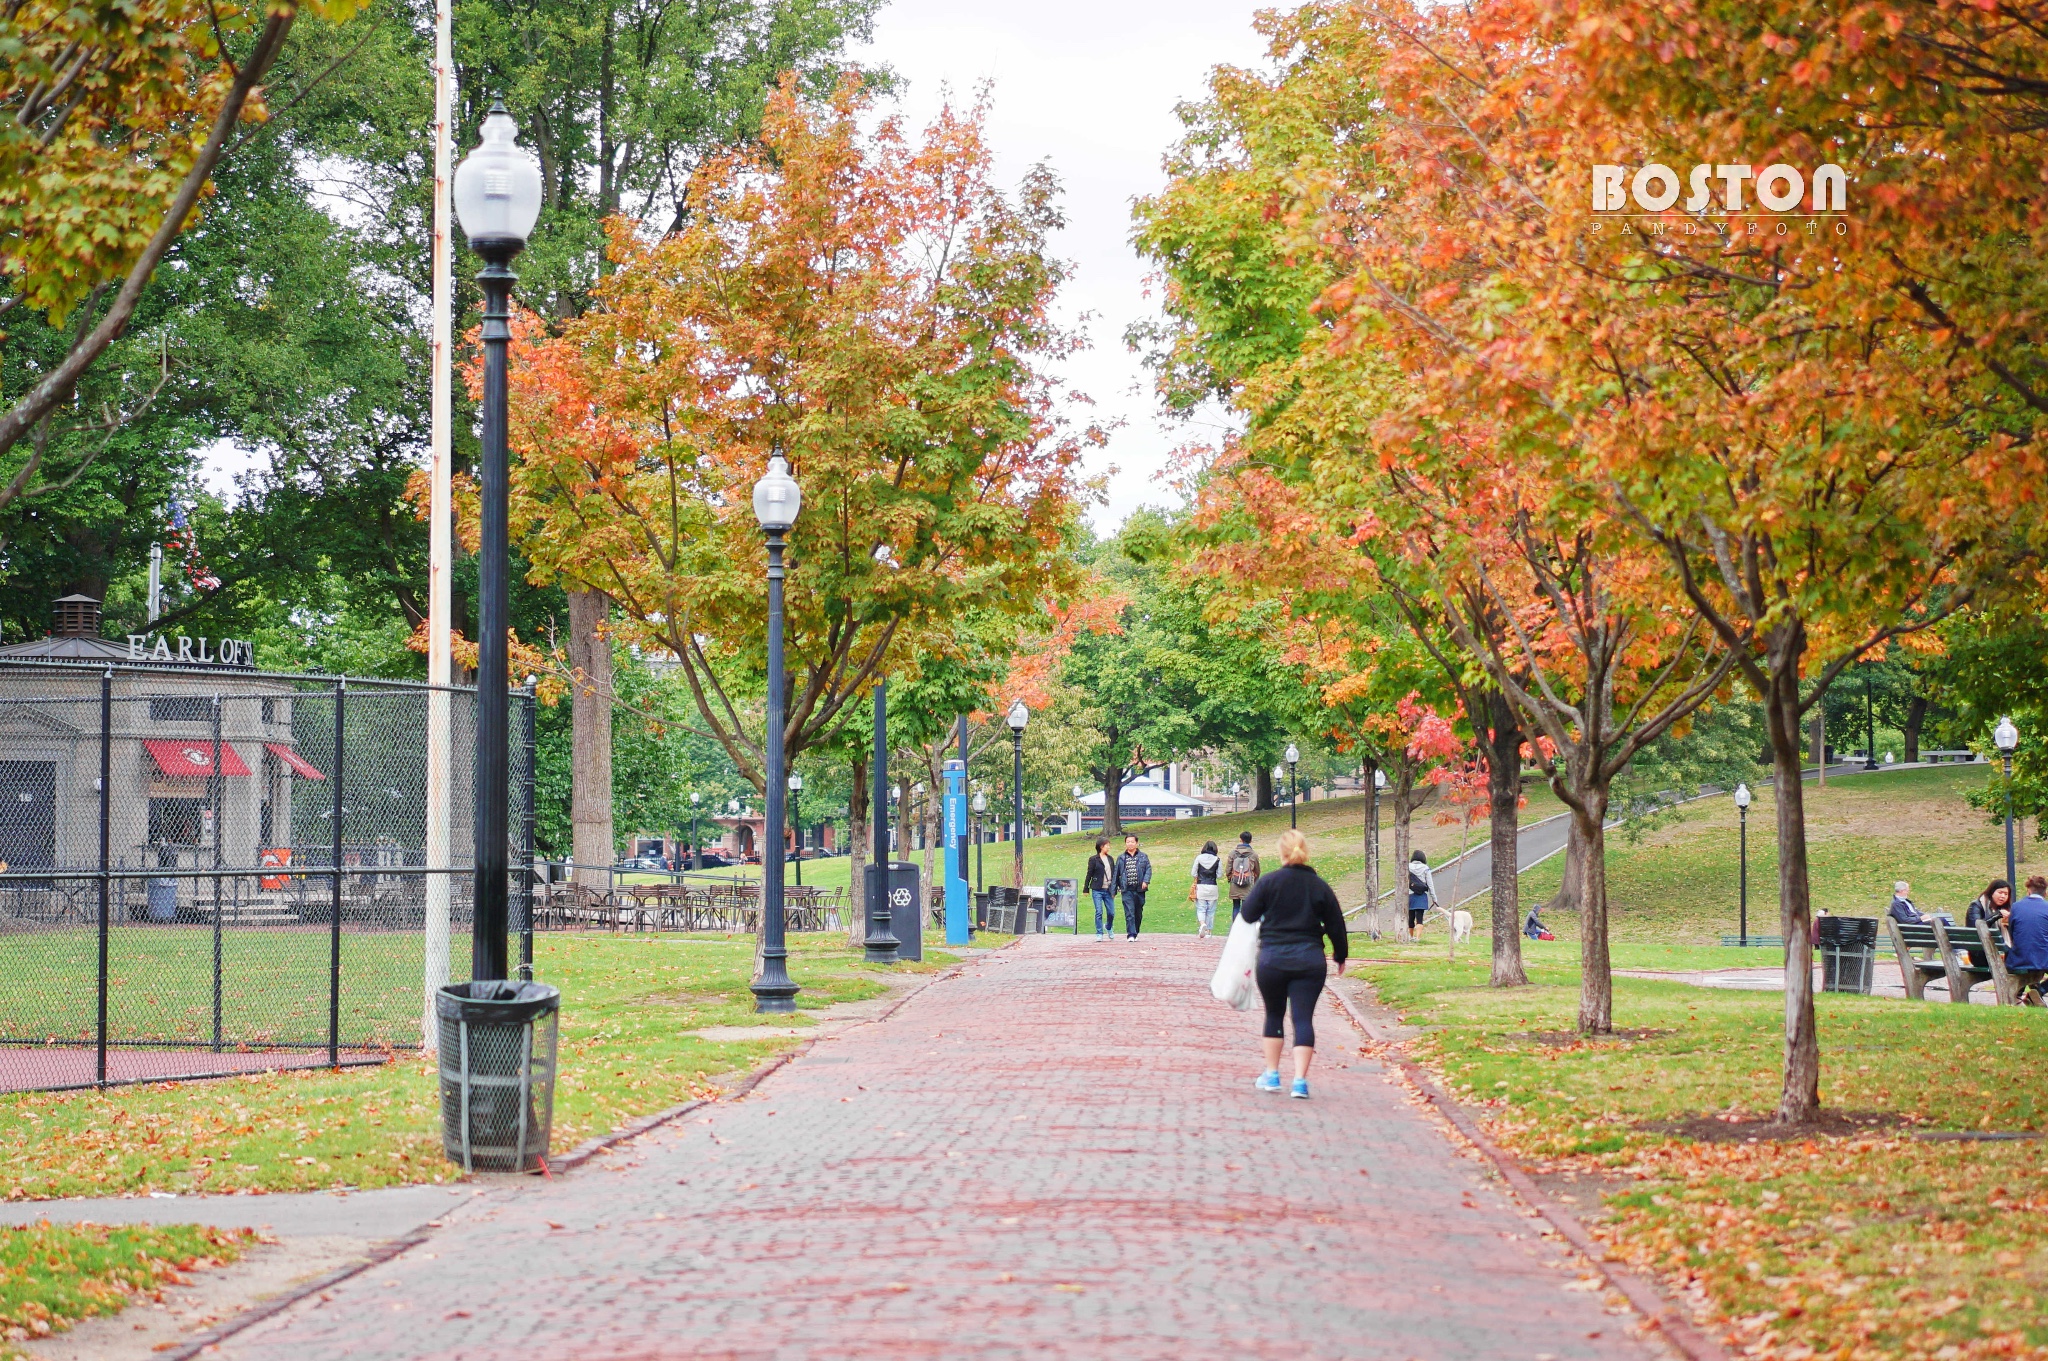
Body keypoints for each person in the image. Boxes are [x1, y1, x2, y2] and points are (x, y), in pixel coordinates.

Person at [1237, 828, 1347, 1099]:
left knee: (1274, 1014)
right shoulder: (1318, 885)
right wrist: (1339, 955)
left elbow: (1248, 914)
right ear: (1304, 852)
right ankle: (1299, 1081)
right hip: (1309, 959)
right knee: (1302, 1018)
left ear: (1281, 852)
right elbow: (1336, 923)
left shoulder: (1270, 882)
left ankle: (1272, 1074)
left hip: (1273, 958)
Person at [2006, 875, 2048, 1005]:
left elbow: (2012, 933)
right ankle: (2039, 991)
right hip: (2042, 959)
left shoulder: (2016, 907)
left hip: (2018, 958)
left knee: (2026, 948)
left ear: (2028, 891)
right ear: (2045, 893)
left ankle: (2020, 995)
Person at [1115, 833, 1152, 940]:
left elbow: (1148, 870)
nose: (1130, 844)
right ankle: (1130, 934)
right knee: (1129, 912)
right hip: (1126, 889)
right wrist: (1116, 888)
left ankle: (1135, 931)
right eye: (1128, 842)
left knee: (1138, 912)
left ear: (1136, 843)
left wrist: (1146, 881)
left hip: (1140, 889)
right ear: (1125, 843)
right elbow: (1116, 873)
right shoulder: (1121, 858)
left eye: (1132, 842)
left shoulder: (1143, 856)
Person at [1083, 837, 1117, 940]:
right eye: (1107, 845)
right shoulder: (1093, 859)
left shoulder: (1110, 859)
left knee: (1111, 912)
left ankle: (1109, 927)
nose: (1109, 847)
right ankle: (1099, 933)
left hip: (1108, 890)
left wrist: (1116, 888)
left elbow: (1115, 874)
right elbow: (1089, 874)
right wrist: (1086, 888)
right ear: (1101, 846)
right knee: (1099, 911)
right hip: (1097, 889)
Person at [1190, 840, 1222, 938]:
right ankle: (1208, 931)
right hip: (1212, 886)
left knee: (1201, 908)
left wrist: (1198, 876)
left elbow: (1193, 873)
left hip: (1201, 886)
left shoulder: (1199, 858)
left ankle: (1202, 924)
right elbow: (1220, 875)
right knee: (1211, 910)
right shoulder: (1217, 859)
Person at [1226, 831, 1261, 922]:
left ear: (1240, 840)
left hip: (1235, 882)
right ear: (1250, 841)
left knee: (1236, 906)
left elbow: (1228, 869)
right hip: (1248, 883)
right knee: (1246, 908)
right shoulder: (1253, 854)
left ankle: (1235, 928)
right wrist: (1254, 881)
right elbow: (1257, 870)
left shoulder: (1233, 853)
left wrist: (1230, 878)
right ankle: (1244, 928)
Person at [1406, 851, 1436, 940]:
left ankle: (1410, 936)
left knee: (1410, 917)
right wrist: (1434, 898)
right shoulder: (1425, 868)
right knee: (1419, 918)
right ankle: (1418, 937)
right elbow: (1430, 884)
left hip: (1409, 895)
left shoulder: (1407, 866)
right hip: (1421, 895)